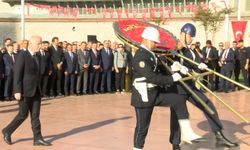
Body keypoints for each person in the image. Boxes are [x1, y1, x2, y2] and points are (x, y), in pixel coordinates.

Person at [132, 27, 202, 150]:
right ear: (147, 40)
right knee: (142, 128)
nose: (156, 44)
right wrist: (172, 78)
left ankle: (187, 132)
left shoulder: (151, 54)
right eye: (154, 42)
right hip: (144, 96)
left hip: (155, 93)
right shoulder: (140, 56)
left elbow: (161, 69)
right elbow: (151, 77)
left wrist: (177, 68)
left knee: (178, 100)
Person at [170, 23, 238, 149]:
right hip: (178, 87)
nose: (191, 39)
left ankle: (219, 136)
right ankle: (175, 145)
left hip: (189, 85)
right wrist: (178, 65)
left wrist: (200, 66)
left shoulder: (190, 49)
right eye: (190, 36)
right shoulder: (174, 45)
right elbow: (169, 59)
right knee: (177, 116)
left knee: (208, 105)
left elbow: (195, 64)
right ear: (183, 34)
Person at [2, 36, 52, 146]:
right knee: (22, 115)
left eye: (41, 44)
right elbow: (17, 74)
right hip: (24, 91)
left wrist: (42, 58)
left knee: (35, 116)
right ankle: (7, 130)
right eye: (38, 44)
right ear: (31, 44)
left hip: (36, 91)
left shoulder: (39, 56)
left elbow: (43, 71)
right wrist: (17, 90)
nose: (40, 46)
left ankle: (37, 138)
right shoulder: (22, 55)